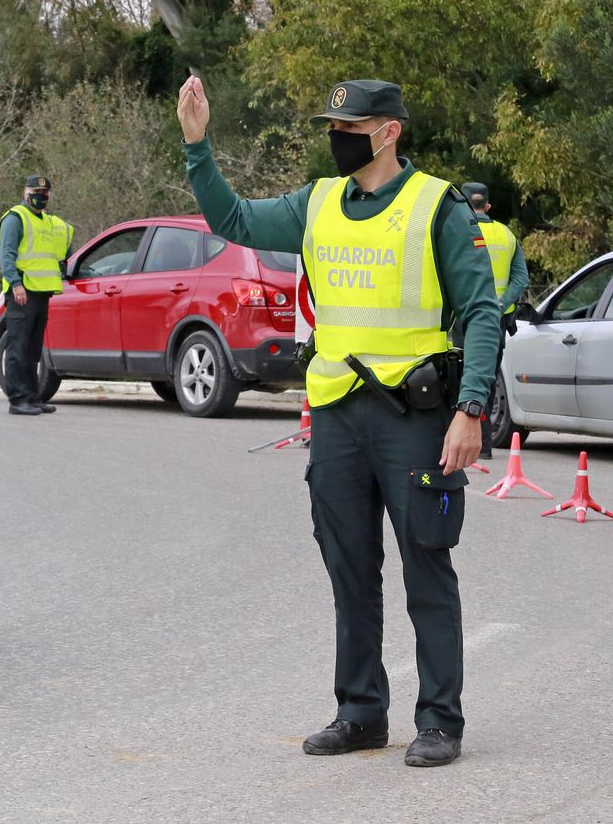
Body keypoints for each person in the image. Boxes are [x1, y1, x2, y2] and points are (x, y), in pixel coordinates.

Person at [177, 76, 502, 768]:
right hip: (338, 417)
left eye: (351, 126)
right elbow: (233, 222)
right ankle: (360, 714)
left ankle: (440, 721)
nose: (338, 136)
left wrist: (470, 409)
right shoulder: (318, 202)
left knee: (426, 566)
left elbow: (481, 313)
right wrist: (197, 145)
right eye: (334, 124)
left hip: (415, 417)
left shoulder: (436, 206)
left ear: (390, 131)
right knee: (349, 570)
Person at [0, 174, 74, 416]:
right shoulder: (15, 218)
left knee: (32, 349)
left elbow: (58, 252)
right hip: (22, 292)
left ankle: (32, 396)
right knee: (18, 348)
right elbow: (6, 256)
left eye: (44, 194)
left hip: (42, 293)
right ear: (25, 191)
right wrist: (16, 284)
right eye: (35, 193)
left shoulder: (48, 222)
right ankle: (18, 400)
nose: (40, 197)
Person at [460, 182, 527, 460]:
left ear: (464, 205)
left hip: (462, 318)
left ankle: (454, 440)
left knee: (458, 377)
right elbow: (521, 278)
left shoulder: (459, 232)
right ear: (487, 206)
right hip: (493, 320)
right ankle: (483, 445)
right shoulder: (506, 235)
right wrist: (500, 305)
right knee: (485, 377)